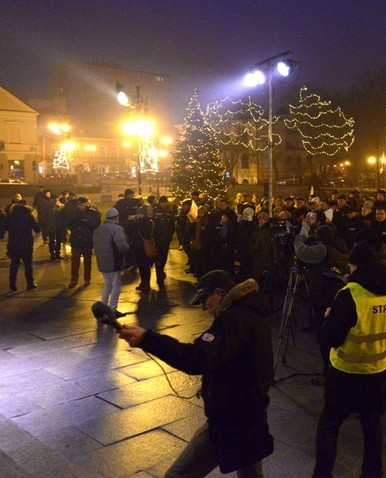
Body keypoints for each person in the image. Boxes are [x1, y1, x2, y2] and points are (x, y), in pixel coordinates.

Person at [119, 270, 274, 477]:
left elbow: (196, 358)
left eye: (205, 300)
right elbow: (245, 360)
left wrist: (148, 339)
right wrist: (214, 382)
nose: (203, 307)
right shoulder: (249, 310)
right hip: (248, 414)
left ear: (218, 293)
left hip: (232, 421)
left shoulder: (234, 319)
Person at [313, 242, 386, 478]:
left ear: (354, 265)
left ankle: (322, 475)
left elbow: (331, 338)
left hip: (346, 371)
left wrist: (328, 318)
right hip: (379, 371)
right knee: (372, 424)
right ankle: (373, 471)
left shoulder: (349, 295)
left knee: (329, 426)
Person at [93, 208, 130, 314]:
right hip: (113, 261)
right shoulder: (116, 229)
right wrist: (128, 249)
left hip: (102, 261)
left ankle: (103, 306)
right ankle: (112, 309)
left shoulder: (98, 229)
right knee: (116, 284)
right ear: (117, 217)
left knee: (107, 284)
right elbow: (123, 246)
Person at [4, 200, 40, 291]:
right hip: (26, 243)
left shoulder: (10, 216)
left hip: (14, 243)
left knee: (14, 265)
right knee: (28, 265)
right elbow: (37, 229)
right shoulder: (29, 216)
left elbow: (6, 227)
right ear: (26, 206)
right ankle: (29, 283)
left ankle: (12, 284)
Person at [67, 197, 101, 288]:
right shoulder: (74, 213)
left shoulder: (92, 213)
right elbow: (68, 223)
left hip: (87, 240)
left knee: (87, 261)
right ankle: (74, 279)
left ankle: (87, 278)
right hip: (76, 240)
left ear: (86, 203)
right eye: (78, 204)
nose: (80, 206)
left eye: (81, 204)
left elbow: (97, 223)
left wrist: (85, 223)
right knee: (75, 261)